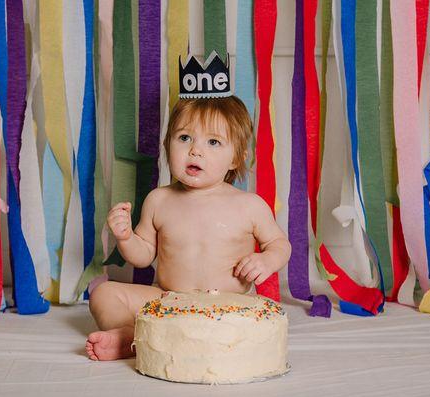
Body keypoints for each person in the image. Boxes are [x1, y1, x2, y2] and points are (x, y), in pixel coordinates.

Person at [85, 95, 292, 361]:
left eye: (213, 142)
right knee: (103, 293)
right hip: (168, 300)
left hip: (227, 306)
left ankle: (152, 339)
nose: (195, 150)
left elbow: (280, 244)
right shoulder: (159, 200)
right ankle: (130, 335)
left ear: (236, 159)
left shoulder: (248, 205)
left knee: (248, 322)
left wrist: (267, 259)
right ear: (166, 145)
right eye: (184, 138)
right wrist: (125, 237)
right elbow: (144, 255)